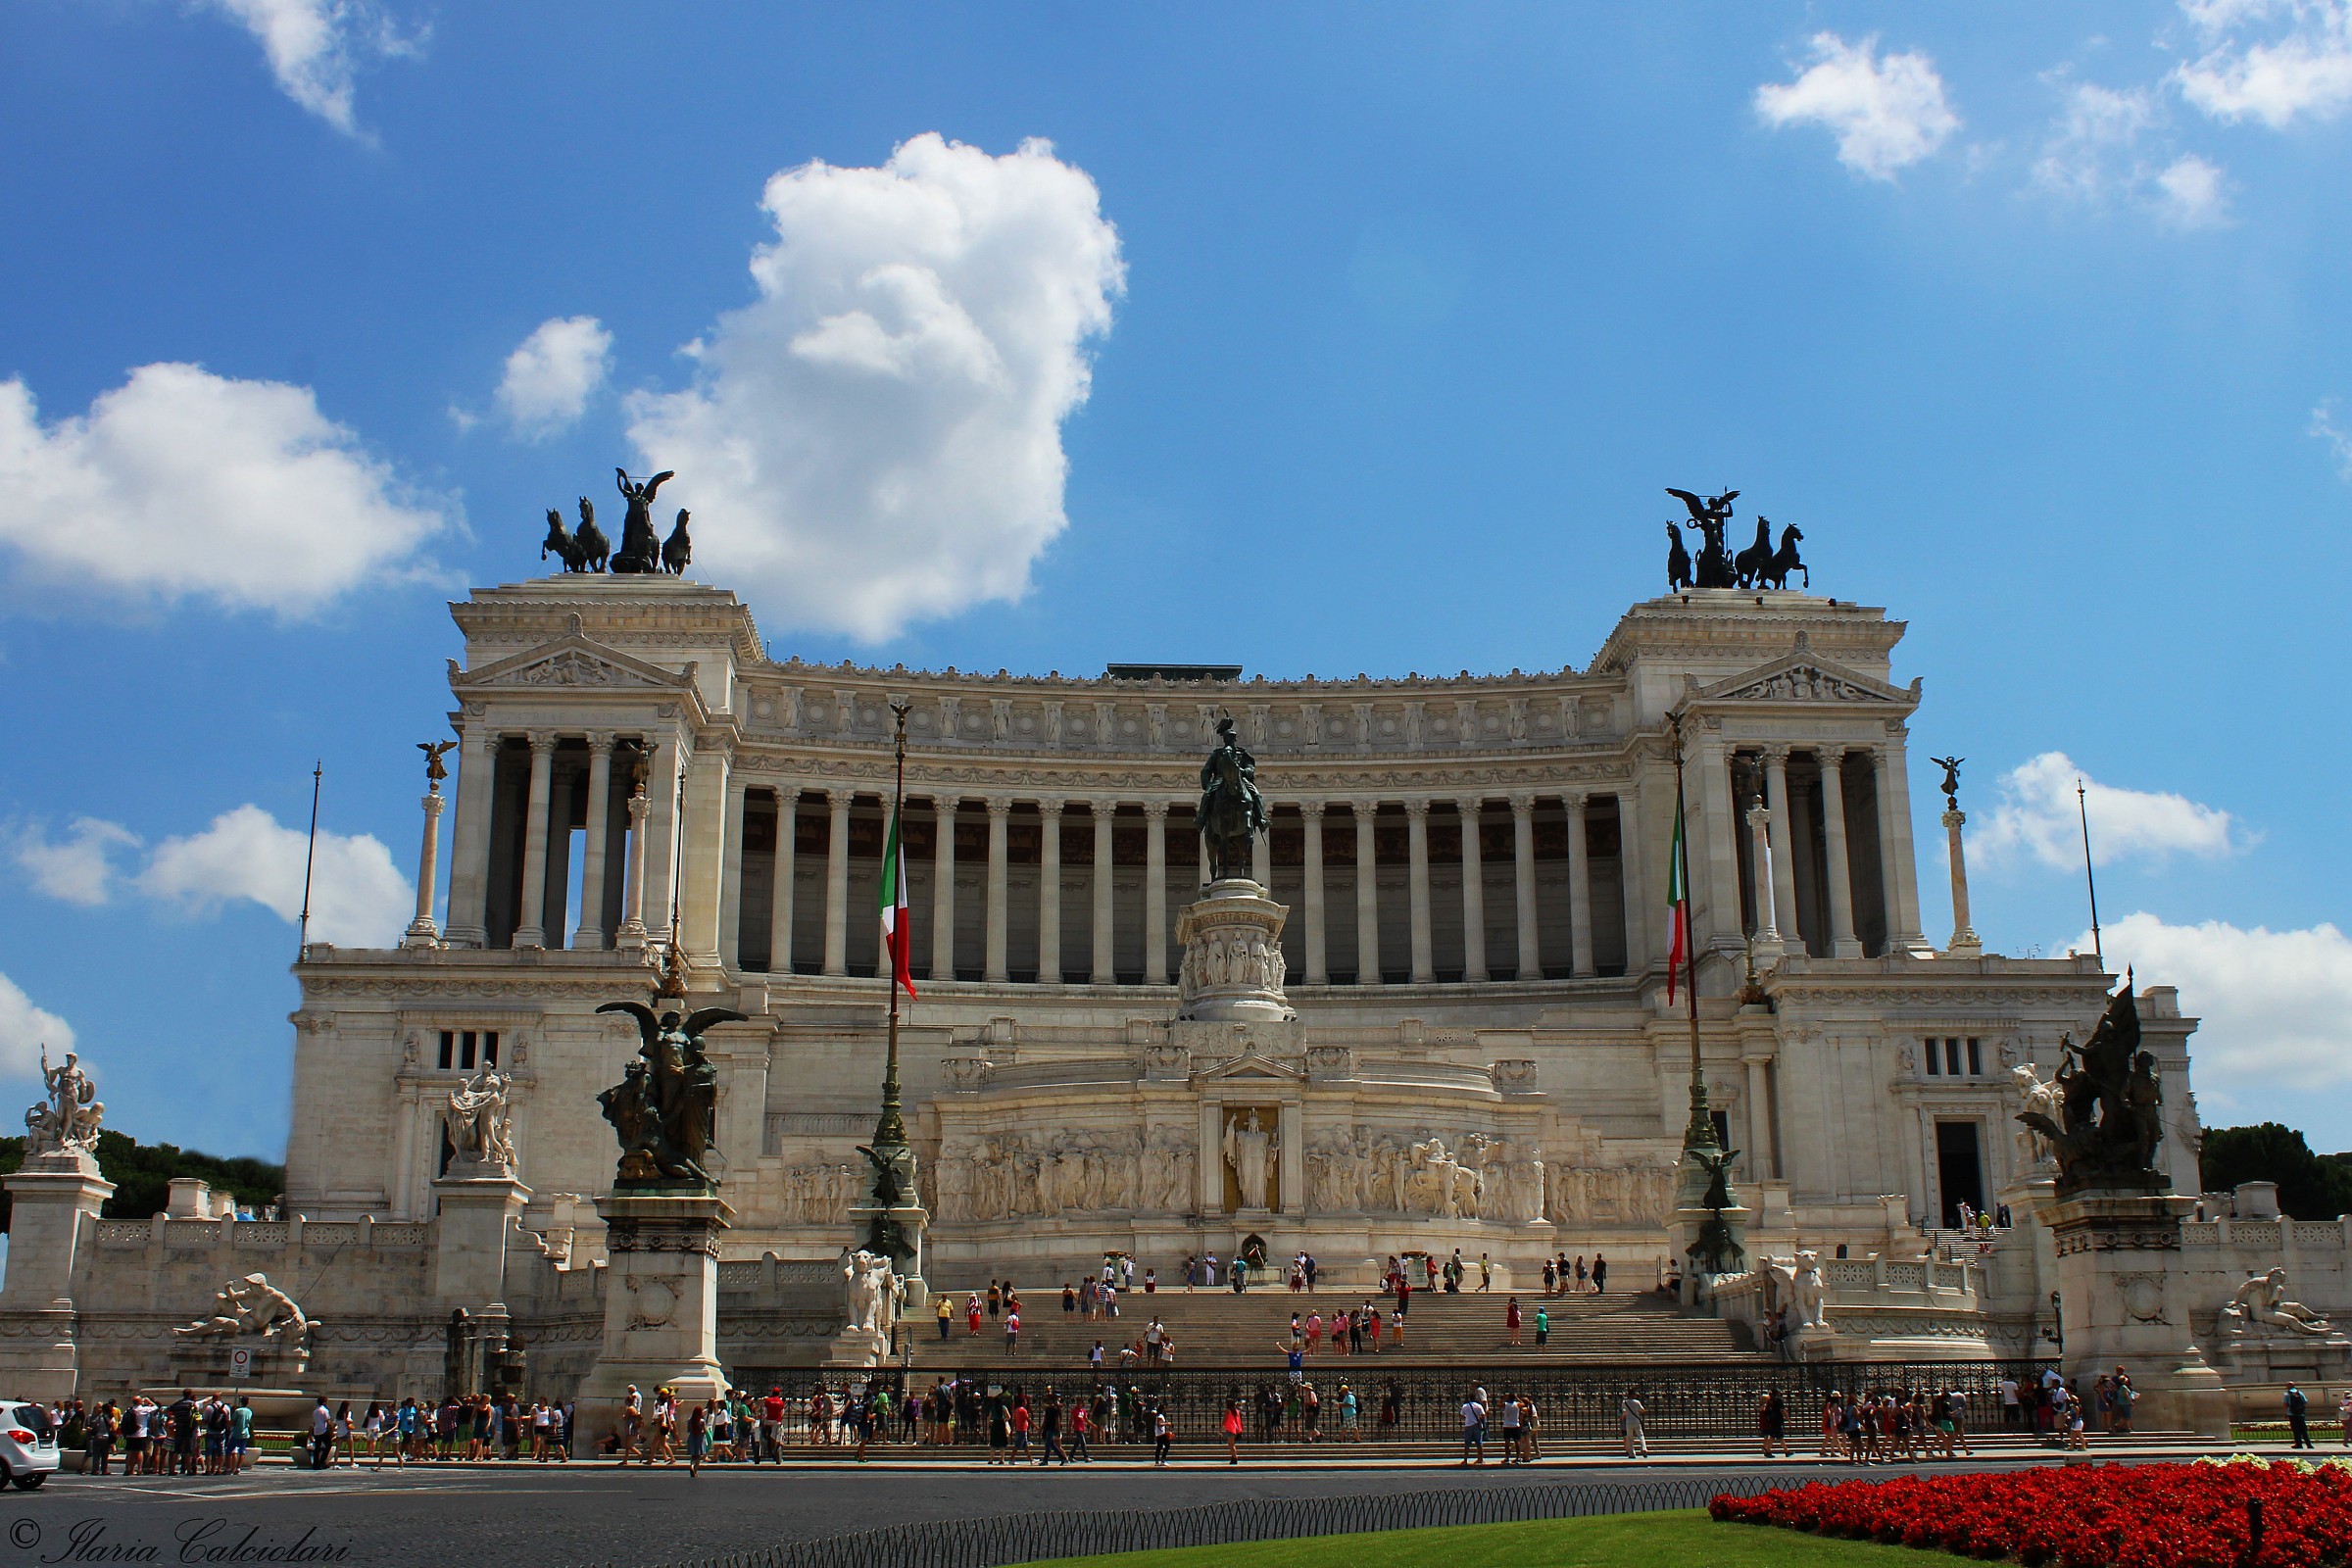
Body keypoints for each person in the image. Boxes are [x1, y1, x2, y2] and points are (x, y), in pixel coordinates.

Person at [1759, 1391, 1788, 1458]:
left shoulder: (1769, 1403)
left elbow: (1766, 1413)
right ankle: (1768, 1450)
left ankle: (1768, 1450)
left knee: (1773, 1437)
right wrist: (1788, 1419)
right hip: (1775, 1421)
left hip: (1772, 1422)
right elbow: (1782, 1410)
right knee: (1778, 1437)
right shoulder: (1777, 1401)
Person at [1620, 1390, 1646, 1458]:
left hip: (1628, 1421)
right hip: (1636, 1420)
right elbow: (1642, 1410)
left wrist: (1622, 1418)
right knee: (1640, 1435)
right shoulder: (1637, 1402)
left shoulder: (1624, 1402)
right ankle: (1643, 1448)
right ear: (1633, 1395)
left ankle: (1631, 1453)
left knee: (1629, 1437)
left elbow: (1624, 1412)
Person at [2287, 1383, 2315, 1449]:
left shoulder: (2287, 1394)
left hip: (2292, 1414)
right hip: (2301, 1414)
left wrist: (2286, 1412)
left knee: (2296, 1430)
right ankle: (2309, 1444)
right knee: (2303, 1430)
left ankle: (2298, 1444)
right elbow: (2305, 1401)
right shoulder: (2300, 1393)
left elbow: (2286, 1404)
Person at [1220, 1398, 1243, 1465]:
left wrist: (1221, 1427)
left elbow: (1225, 1419)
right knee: (1232, 1444)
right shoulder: (1236, 1411)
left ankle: (1235, 1457)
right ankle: (1233, 1457)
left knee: (1231, 1445)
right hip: (1235, 1428)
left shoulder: (1228, 1411)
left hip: (1230, 1428)